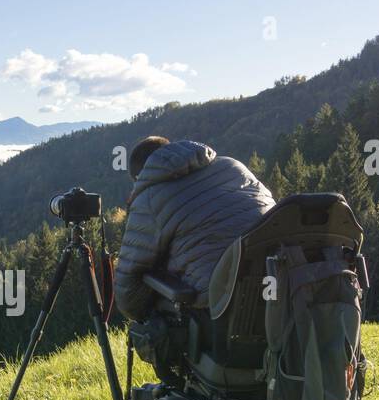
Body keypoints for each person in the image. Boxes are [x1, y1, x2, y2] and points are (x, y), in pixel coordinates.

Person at [114, 137, 275, 321]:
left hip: (220, 307)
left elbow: (128, 287)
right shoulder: (234, 166)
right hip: (279, 287)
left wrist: (140, 316)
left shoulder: (149, 199)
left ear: (139, 177)